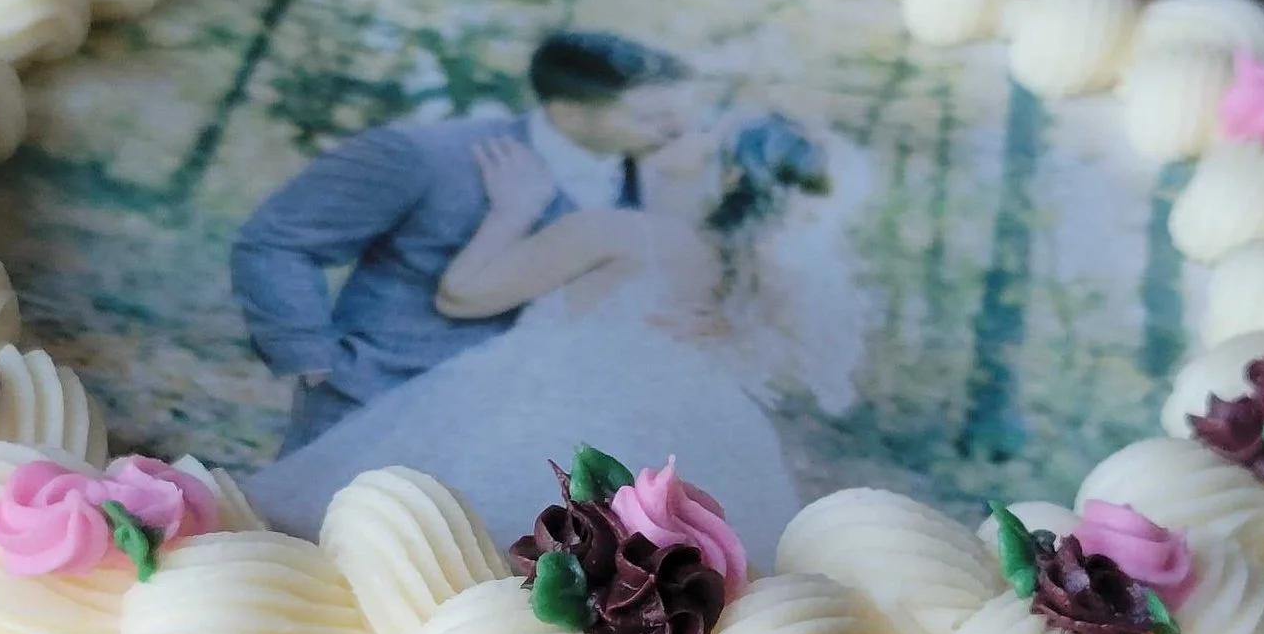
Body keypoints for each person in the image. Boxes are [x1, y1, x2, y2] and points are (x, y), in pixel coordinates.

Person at [242, 109, 848, 566]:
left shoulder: (618, 231)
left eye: (705, 133)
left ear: (727, 171)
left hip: (540, 411)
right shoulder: (757, 275)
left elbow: (464, 295)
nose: (683, 130)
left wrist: (514, 208)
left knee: (423, 546)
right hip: (673, 435)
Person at [229, 32, 695, 452]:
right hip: (376, 400)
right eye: (650, 117)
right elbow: (278, 242)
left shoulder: (662, 189)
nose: (674, 130)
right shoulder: (426, 154)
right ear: (568, 110)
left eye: (675, 115)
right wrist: (309, 355)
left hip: (519, 434)